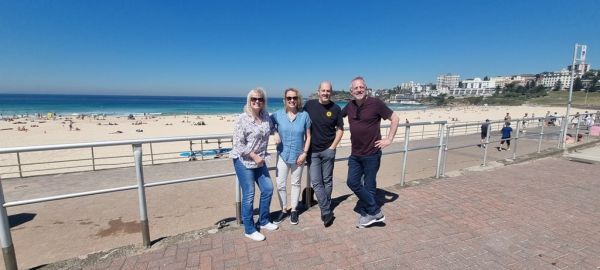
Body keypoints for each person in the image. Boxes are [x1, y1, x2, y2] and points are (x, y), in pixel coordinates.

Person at [342, 76, 400, 228]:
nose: (359, 90)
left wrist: (389, 139)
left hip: (372, 153)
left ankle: (369, 214)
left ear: (366, 88)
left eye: (361, 87)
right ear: (351, 91)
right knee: (352, 182)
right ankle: (375, 211)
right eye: (356, 88)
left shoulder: (376, 103)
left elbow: (395, 118)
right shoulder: (349, 106)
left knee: (369, 184)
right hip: (355, 153)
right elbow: (335, 117)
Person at [230, 87, 278, 241]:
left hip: (260, 160)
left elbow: (271, 127)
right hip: (243, 160)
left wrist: (275, 134)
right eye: (254, 99)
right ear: (249, 101)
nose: (257, 101)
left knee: (268, 189)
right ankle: (249, 229)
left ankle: (263, 221)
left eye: (260, 99)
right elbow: (238, 144)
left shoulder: (265, 116)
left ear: (264, 102)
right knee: (249, 194)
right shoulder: (242, 119)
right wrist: (253, 155)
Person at [303, 81, 344, 227]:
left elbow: (340, 129)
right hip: (313, 152)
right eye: (323, 90)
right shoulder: (309, 105)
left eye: (328, 91)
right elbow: (298, 120)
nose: (325, 93)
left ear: (331, 92)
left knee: (327, 180)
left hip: (328, 150)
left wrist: (333, 147)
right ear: (318, 91)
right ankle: (326, 211)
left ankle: (325, 209)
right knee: (316, 181)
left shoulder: (336, 108)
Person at [270, 88, 312, 225]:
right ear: (285, 100)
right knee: (280, 184)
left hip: (298, 155)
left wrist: (304, 153)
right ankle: (283, 209)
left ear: (298, 99)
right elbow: (268, 123)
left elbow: (308, 136)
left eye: (294, 98)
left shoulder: (304, 115)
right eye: (289, 98)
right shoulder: (278, 115)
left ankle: (294, 210)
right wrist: (275, 132)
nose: (292, 100)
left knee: (296, 183)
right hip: (282, 154)